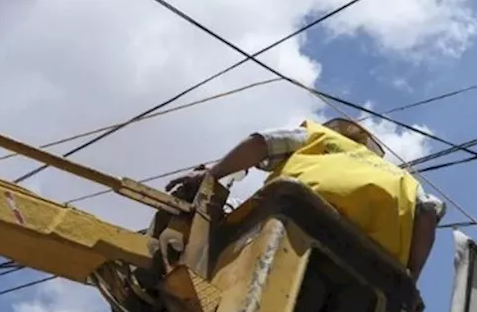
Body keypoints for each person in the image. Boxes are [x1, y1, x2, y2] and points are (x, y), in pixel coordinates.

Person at [166, 117, 445, 280]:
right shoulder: (406, 180)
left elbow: (261, 142)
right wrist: (408, 280)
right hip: (370, 270)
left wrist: (211, 176)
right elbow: (428, 214)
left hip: (298, 234)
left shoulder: (318, 137)